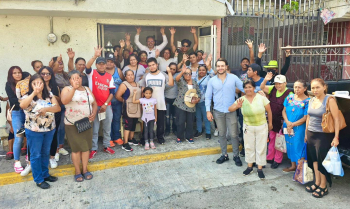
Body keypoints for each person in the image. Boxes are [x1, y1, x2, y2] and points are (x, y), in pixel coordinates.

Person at [20, 74, 61, 189]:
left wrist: (46, 109)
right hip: (34, 131)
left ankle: (45, 174)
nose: (38, 85)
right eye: (35, 83)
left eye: (40, 83)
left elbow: (57, 108)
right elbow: (23, 105)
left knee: (45, 153)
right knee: (36, 155)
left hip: (49, 129)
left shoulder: (49, 95)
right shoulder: (27, 96)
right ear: (31, 85)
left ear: (44, 84)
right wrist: (34, 92)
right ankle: (38, 179)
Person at [228, 80, 273, 179]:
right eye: (246, 87)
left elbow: (269, 111)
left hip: (261, 126)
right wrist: (237, 106)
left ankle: (260, 168)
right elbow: (230, 109)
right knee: (248, 146)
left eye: (250, 87)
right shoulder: (241, 99)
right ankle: (250, 167)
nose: (248, 89)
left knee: (261, 147)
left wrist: (270, 124)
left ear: (254, 88)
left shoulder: (261, 98)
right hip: (248, 127)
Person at [205, 58, 245, 166]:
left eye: (222, 66)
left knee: (234, 134)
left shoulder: (233, 78)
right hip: (218, 111)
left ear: (226, 66)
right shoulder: (212, 81)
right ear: (216, 67)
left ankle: (236, 156)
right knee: (221, 134)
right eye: (218, 66)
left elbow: (244, 88)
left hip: (231, 111)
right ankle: (224, 155)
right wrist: (208, 111)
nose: (220, 68)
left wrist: (258, 91)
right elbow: (208, 97)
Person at [305, 78, 340, 198]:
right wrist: (306, 133)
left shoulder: (329, 100)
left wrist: (336, 137)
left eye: (317, 87)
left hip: (323, 135)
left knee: (322, 161)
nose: (315, 90)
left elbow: (336, 119)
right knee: (314, 160)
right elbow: (308, 117)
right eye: (313, 88)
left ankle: (323, 186)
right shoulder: (311, 100)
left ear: (324, 87)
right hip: (311, 134)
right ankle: (317, 182)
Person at [61, 70, 98, 182]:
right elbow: (64, 101)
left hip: (86, 123)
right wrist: (74, 88)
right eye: (74, 78)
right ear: (70, 80)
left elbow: (94, 103)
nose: (77, 80)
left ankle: (85, 169)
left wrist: (94, 113)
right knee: (76, 149)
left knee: (86, 148)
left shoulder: (87, 89)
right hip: (72, 124)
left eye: (78, 77)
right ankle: (77, 171)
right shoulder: (67, 89)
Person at [85, 46, 116, 159]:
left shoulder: (109, 76)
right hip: (94, 106)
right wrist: (95, 56)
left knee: (107, 127)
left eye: (103, 63)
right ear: (97, 65)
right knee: (95, 129)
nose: (102, 65)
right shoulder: (91, 73)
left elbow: (112, 92)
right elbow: (87, 66)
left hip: (106, 106)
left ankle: (106, 146)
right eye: (100, 63)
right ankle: (93, 148)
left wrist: (105, 104)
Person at [260, 73, 293, 169]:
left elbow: (289, 109)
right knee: (271, 138)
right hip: (272, 119)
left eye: (280, 83)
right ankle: (269, 157)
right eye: (276, 83)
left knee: (280, 141)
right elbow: (262, 87)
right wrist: (265, 79)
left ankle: (277, 160)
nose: (278, 86)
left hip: (282, 121)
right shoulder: (272, 89)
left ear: (285, 83)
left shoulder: (289, 94)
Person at [139, 58, 174, 144]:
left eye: (153, 65)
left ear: (157, 65)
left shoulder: (163, 74)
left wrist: (169, 72)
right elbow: (143, 89)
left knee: (160, 123)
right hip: (148, 104)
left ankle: (160, 138)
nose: (152, 67)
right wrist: (142, 102)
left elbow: (171, 84)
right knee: (147, 122)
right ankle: (145, 139)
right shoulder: (146, 76)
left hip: (160, 102)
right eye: (150, 65)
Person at [282, 80, 310, 172]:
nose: (296, 89)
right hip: (288, 126)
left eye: (299, 87)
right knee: (290, 145)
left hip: (299, 128)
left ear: (305, 88)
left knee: (299, 146)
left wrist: (293, 124)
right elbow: (284, 111)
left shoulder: (307, 101)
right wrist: (287, 122)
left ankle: (300, 169)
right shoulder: (289, 97)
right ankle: (293, 165)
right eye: (295, 87)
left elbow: (306, 117)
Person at [38, 66, 61, 169]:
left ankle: (52, 157)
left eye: (48, 73)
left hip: (54, 115)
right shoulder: (35, 86)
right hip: (40, 117)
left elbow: (60, 102)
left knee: (53, 136)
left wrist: (52, 96)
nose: (45, 76)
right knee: (40, 138)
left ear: (51, 75)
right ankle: (39, 159)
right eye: (43, 73)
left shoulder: (55, 87)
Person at [5, 66, 26, 173]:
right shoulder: (9, 85)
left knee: (31, 135)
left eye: (19, 72)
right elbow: (13, 100)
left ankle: (29, 157)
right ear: (11, 75)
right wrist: (26, 103)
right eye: (15, 73)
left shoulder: (25, 82)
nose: (18, 74)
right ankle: (17, 161)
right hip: (17, 112)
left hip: (28, 112)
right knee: (19, 137)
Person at [50, 55, 70, 160]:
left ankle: (61, 146)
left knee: (62, 127)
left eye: (61, 63)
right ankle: (55, 149)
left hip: (66, 105)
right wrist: (56, 62)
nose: (60, 65)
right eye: (58, 63)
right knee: (56, 128)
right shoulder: (52, 75)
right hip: (57, 104)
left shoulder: (65, 75)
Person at [173, 65, 201, 143]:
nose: (187, 75)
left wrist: (197, 99)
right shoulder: (181, 80)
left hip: (191, 105)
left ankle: (189, 137)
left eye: (189, 73)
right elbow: (176, 79)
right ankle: (180, 137)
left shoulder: (195, 82)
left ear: (191, 75)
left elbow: (198, 92)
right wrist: (182, 71)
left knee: (190, 122)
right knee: (180, 122)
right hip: (181, 105)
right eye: (186, 73)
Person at [116, 70, 141, 151]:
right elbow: (118, 96)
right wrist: (125, 101)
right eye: (128, 75)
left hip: (136, 107)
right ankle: (125, 143)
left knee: (134, 123)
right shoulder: (124, 85)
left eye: (132, 75)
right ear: (125, 77)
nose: (131, 76)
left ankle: (131, 138)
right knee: (128, 125)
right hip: (128, 108)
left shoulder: (137, 84)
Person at [105, 53, 125, 147]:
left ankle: (116, 137)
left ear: (114, 63)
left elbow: (123, 82)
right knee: (108, 120)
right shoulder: (102, 71)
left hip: (117, 101)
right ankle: (109, 138)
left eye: (111, 62)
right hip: (106, 102)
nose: (109, 63)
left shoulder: (118, 71)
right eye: (107, 61)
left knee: (116, 119)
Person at [194, 64, 213, 140]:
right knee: (198, 117)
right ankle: (199, 131)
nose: (201, 71)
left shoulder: (209, 78)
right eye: (200, 70)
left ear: (206, 71)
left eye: (203, 70)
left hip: (205, 101)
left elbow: (213, 74)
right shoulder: (195, 79)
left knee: (206, 117)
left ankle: (208, 132)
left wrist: (208, 64)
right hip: (196, 101)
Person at [164, 63, 179, 136]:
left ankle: (175, 129)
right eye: (171, 69)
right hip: (167, 99)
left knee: (175, 116)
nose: (172, 70)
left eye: (174, 69)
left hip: (175, 99)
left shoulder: (177, 76)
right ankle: (167, 129)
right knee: (167, 116)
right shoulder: (164, 76)